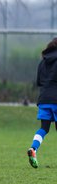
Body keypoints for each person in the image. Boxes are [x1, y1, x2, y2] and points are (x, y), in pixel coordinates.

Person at [27, 38, 57, 168]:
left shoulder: (42, 62)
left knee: (44, 128)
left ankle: (33, 149)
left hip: (44, 99)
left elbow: (39, 82)